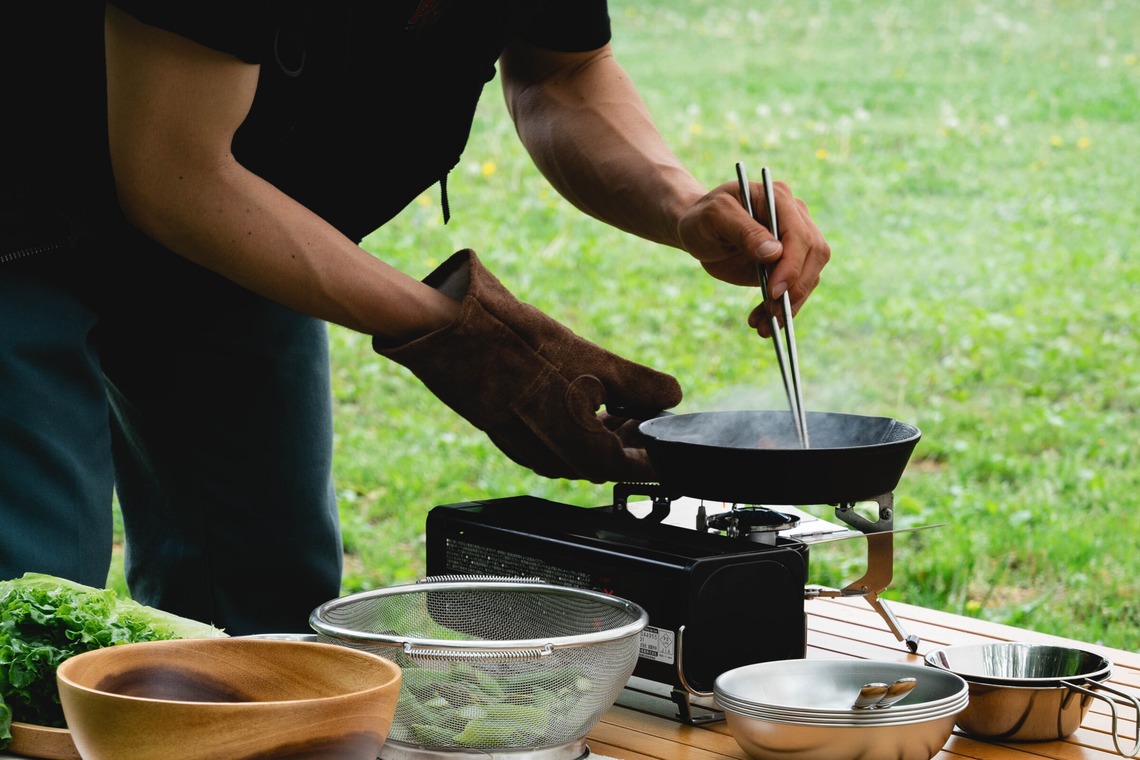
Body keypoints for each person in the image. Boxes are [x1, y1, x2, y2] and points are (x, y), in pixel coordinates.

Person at [0, 2, 830, 635]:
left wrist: (683, 203)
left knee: (265, 598)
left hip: (247, 223)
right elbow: (175, 172)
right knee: (31, 596)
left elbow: (561, 73)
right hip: (24, 213)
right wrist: (467, 337)